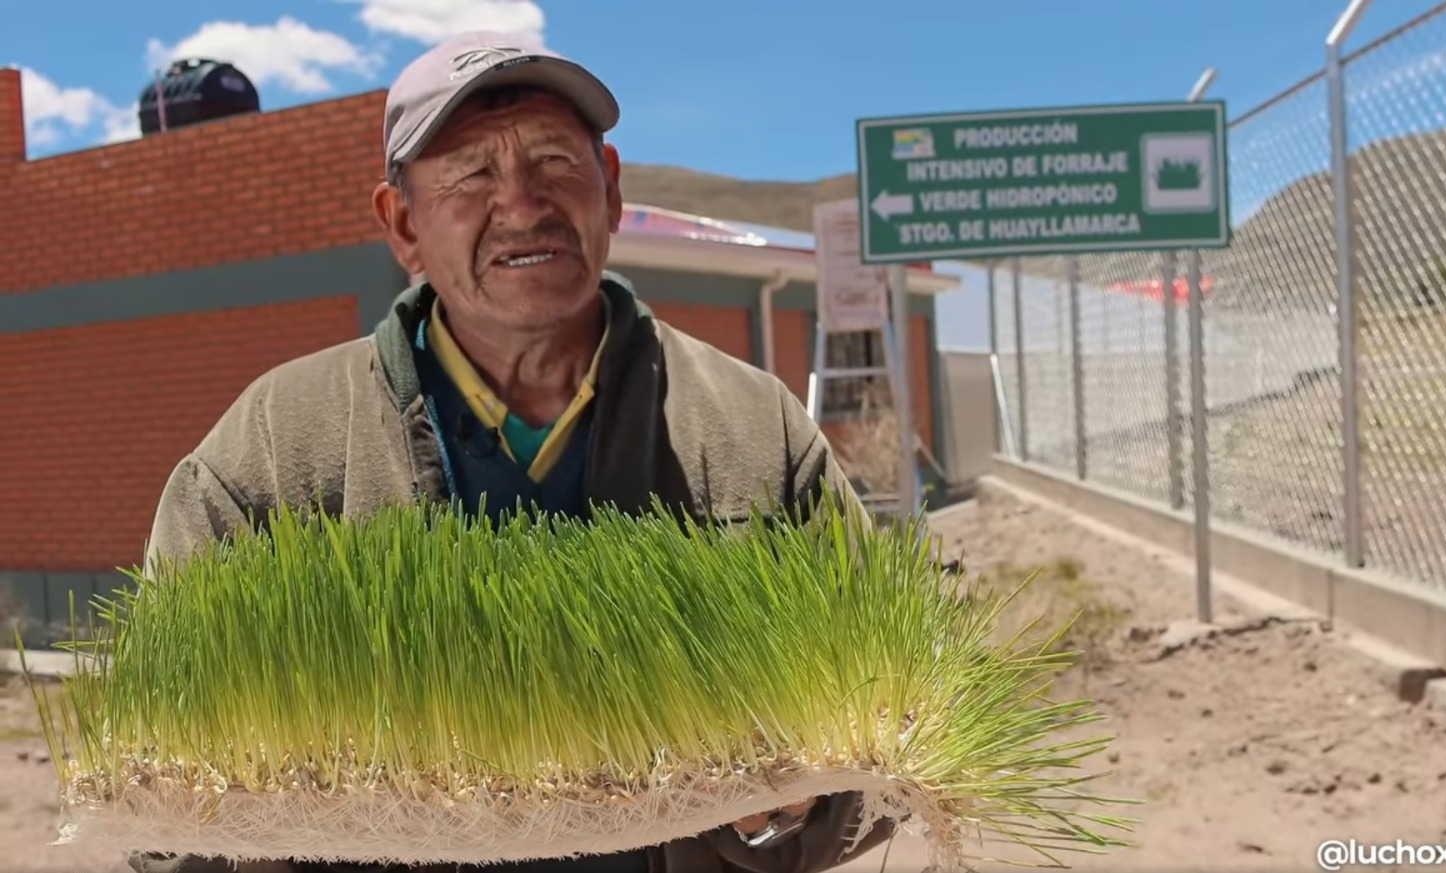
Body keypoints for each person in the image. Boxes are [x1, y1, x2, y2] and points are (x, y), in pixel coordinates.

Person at [128, 29, 897, 873]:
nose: (523, 203)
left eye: (556, 162)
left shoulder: (755, 429)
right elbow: (157, 816)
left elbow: (889, 751)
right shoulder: (274, 447)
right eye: (470, 173)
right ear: (402, 224)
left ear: (609, 187)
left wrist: (791, 806)